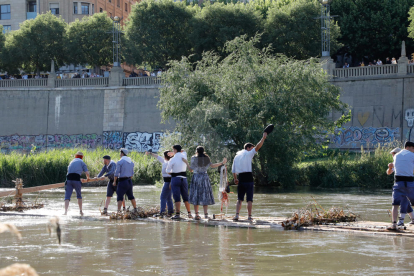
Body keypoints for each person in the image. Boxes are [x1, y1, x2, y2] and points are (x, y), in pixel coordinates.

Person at [183, 146, 227, 220]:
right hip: (204, 177)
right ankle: (206, 215)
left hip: (196, 177)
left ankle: (197, 215)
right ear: (203, 151)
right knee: (205, 195)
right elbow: (212, 166)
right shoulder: (207, 158)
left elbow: (191, 170)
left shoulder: (193, 158)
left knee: (195, 195)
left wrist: (186, 163)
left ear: (196, 151)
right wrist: (222, 163)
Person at [232, 132, 267, 221]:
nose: (253, 150)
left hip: (241, 178)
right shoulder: (249, 154)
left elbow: (233, 170)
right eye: (251, 148)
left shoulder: (236, 157)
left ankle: (236, 215)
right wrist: (263, 138)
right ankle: (249, 216)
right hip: (249, 178)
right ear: (248, 148)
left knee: (239, 198)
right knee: (249, 199)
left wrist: (235, 179)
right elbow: (258, 147)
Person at [387, 142, 414, 230]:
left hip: (398, 183)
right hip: (409, 183)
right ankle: (403, 221)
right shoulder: (412, 155)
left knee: (395, 204)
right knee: (409, 202)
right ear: (410, 147)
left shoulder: (396, 156)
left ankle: (394, 225)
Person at [166, 145, 192, 220]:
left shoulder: (172, 160)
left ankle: (177, 214)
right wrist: (175, 152)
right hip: (184, 179)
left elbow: (168, 171)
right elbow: (183, 151)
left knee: (176, 197)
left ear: (175, 150)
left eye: (173, 150)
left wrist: (174, 173)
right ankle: (189, 213)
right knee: (185, 196)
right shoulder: (184, 156)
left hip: (175, 179)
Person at [146, 150, 174, 217]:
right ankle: (170, 212)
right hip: (169, 182)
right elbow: (157, 157)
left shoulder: (169, 162)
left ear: (165, 156)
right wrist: (150, 153)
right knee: (169, 198)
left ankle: (162, 212)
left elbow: (173, 173)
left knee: (162, 197)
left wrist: (170, 182)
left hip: (168, 182)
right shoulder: (165, 161)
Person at [64, 151, 90, 216]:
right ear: (81, 157)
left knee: (67, 197)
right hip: (76, 180)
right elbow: (87, 173)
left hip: (69, 180)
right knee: (79, 196)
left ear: (76, 156)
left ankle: (65, 212)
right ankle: (81, 211)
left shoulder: (71, 162)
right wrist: (88, 178)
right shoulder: (82, 162)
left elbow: (69, 172)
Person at [114, 148, 137, 212]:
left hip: (122, 181)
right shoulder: (131, 162)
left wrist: (114, 181)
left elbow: (116, 173)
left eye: (120, 153)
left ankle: (118, 211)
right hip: (129, 181)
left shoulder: (120, 162)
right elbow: (132, 174)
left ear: (122, 153)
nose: (119, 154)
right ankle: (135, 209)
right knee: (131, 196)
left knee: (120, 196)